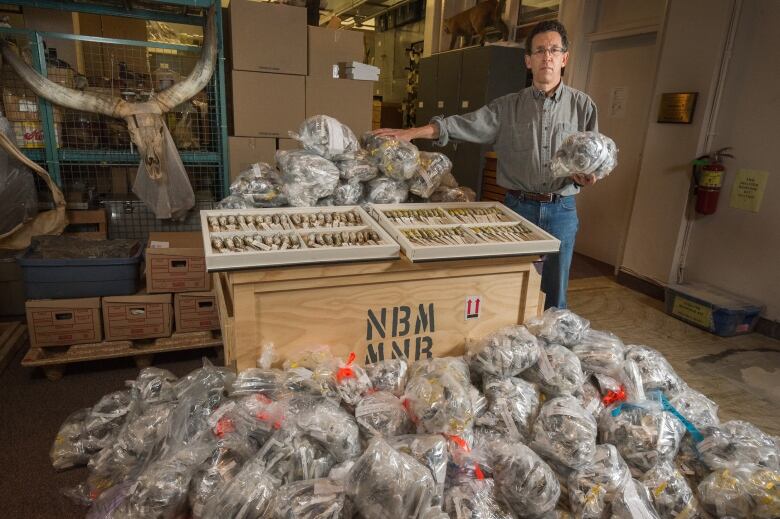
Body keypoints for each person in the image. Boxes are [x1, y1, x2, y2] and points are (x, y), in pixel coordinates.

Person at [373, 20, 598, 310]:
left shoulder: (583, 106)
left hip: (561, 210)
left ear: (565, 58)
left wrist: (587, 177)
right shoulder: (506, 107)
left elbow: (593, 158)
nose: (548, 56)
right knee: (508, 288)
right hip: (518, 209)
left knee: (555, 294)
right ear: (528, 60)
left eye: (554, 50)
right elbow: (462, 125)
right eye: (540, 50)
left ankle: (554, 352)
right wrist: (412, 133)